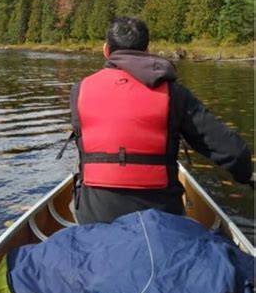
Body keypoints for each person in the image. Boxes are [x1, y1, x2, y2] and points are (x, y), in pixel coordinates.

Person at [68, 16, 253, 224]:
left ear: (106, 50)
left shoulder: (79, 91)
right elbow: (231, 151)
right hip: (161, 217)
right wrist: (246, 175)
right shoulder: (174, 94)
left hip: (95, 216)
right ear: (147, 50)